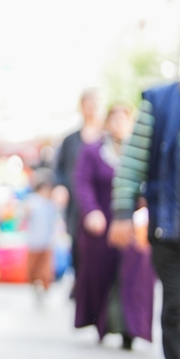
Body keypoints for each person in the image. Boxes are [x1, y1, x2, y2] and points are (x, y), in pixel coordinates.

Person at [109, 84, 180, 359]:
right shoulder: (160, 101)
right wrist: (123, 212)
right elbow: (132, 163)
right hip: (170, 229)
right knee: (178, 306)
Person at [72, 104, 157, 352]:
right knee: (101, 276)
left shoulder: (141, 151)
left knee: (135, 278)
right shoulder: (93, 151)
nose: (119, 123)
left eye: (124, 119)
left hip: (135, 225)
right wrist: (91, 211)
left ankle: (131, 330)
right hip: (102, 224)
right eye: (115, 118)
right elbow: (82, 182)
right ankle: (103, 324)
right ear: (108, 122)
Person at [54, 89, 104, 285]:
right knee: (77, 243)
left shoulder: (107, 137)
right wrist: (59, 187)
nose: (91, 108)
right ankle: (81, 284)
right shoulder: (70, 140)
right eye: (88, 104)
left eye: (95, 104)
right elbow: (59, 169)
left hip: (101, 202)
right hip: (76, 204)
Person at [24, 177, 60, 294]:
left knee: (46, 269)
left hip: (47, 241)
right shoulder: (32, 200)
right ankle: (35, 285)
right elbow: (25, 213)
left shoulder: (50, 203)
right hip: (34, 241)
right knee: (33, 268)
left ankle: (44, 287)